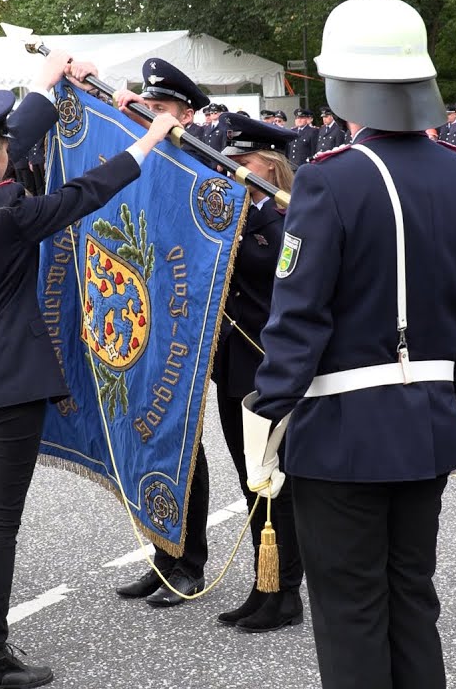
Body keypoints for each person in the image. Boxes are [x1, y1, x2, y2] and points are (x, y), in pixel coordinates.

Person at [248, 0, 456, 689]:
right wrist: (451, 388)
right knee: (412, 599)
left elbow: (298, 318)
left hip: (341, 432)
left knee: (351, 612)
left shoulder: (330, 179)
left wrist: (269, 409)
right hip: (430, 422)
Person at [0, 54, 178, 689]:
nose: (11, 151)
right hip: (12, 386)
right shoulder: (6, 214)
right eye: (3, 146)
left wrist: (43, 85)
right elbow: (86, 193)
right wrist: (148, 138)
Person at [108, 59, 214, 607]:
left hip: (188, 318)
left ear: (186, 115)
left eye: (162, 109)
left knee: (182, 441)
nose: (152, 116)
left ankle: (189, 563)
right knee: (148, 439)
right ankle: (163, 556)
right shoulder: (149, 148)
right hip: (145, 316)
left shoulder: (202, 159)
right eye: (148, 106)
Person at [208, 112, 306, 633]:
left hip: (267, 365)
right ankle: (264, 582)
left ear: (267, 165)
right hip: (233, 362)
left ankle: (284, 590)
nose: (231, 170)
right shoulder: (233, 212)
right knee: (252, 482)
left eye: (241, 161)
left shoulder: (288, 216)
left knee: (275, 483)